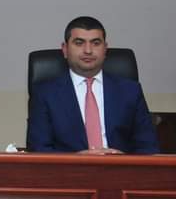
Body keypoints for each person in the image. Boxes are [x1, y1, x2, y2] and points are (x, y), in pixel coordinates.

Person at [27, 16, 159, 154]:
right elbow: (38, 149)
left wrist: (123, 159)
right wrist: (77, 159)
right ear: (65, 49)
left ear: (105, 49)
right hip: (68, 167)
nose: (88, 50)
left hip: (120, 167)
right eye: (79, 43)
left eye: (96, 43)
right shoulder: (44, 94)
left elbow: (149, 148)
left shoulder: (130, 91)